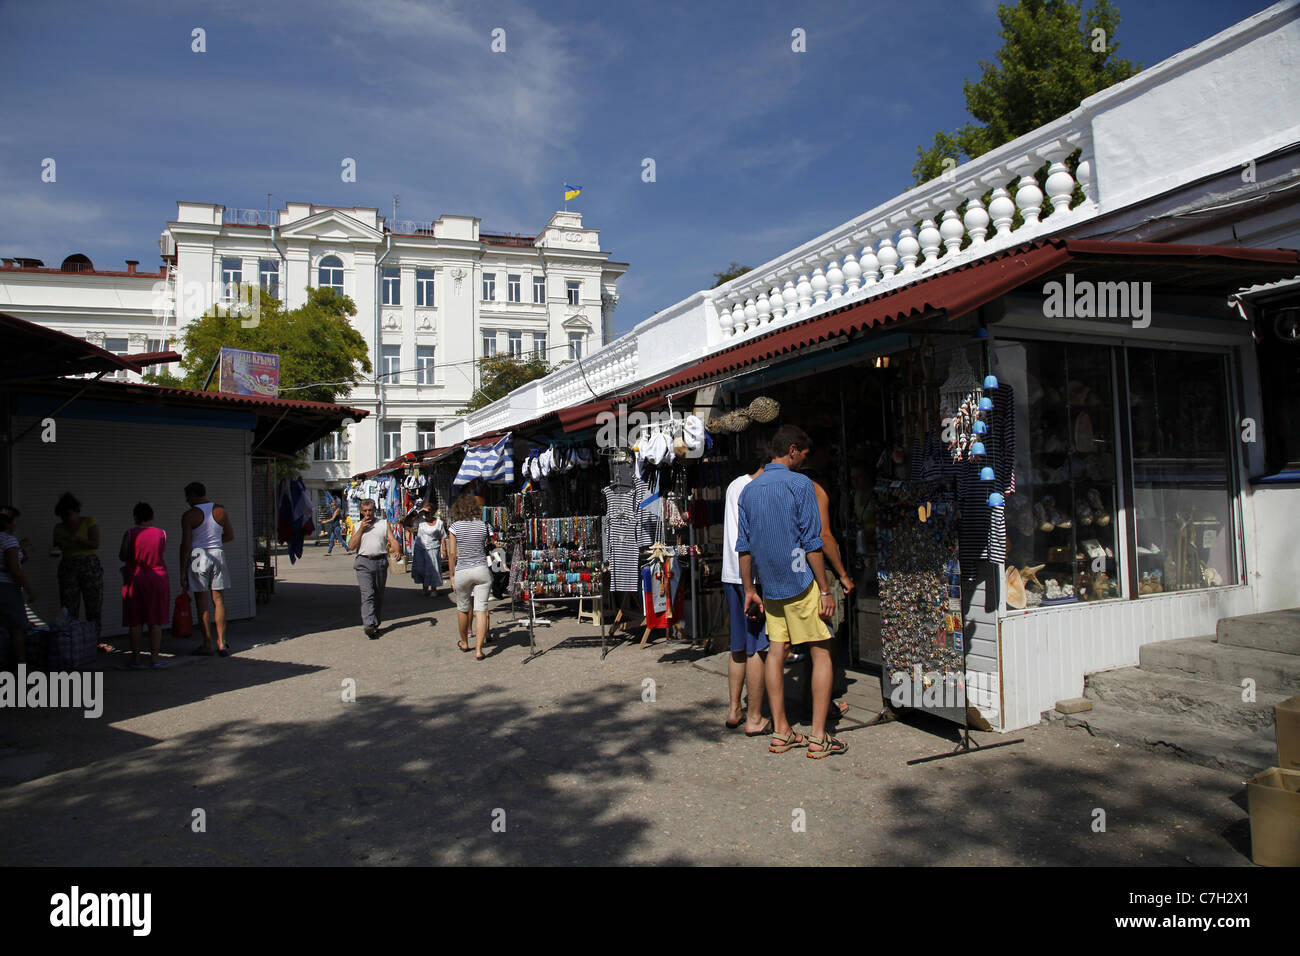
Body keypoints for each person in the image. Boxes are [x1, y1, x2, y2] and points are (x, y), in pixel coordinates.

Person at [736, 424, 846, 759]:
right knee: (821, 650)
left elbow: (744, 547)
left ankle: (782, 731)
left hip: (770, 586)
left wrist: (748, 590)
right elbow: (813, 542)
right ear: (794, 450)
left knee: (776, 650)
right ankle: (817, 736)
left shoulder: (749, 491)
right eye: (803, 456)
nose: (802, 462)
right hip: (801, 582)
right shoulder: (801, 484)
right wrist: (825, 588)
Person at [723, 461, 771, 735]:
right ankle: (754, 717)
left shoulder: (734, 485)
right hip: (750, 576)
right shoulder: (759, 489)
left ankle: (734, 710)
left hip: (730, 573)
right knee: (756, 648)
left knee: (738, 646)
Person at [180, 481, 235, 656]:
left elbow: (185, 545)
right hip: (218, 554)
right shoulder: (221, 510)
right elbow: (230, 535)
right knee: (218, 600)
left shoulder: (189, 516)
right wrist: (215, 543)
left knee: (201, 601)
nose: (187, 500)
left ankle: (207, 643)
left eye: (188, 497)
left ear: (194, 495)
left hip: (198, 555)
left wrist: (182, 570)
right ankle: (222, 642)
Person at [52, 492, 107, 652]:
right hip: (68, 566)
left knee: (94, 604)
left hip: (89, 565)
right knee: (69, 606)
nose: (66, 518)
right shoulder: (59, 528)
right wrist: (59, 546)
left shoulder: (89, 522)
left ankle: (94, 642)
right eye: (63, 516)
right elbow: (56, 547)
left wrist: (79, 540)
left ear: (76, 511)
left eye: (69, 514)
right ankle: (71, 641)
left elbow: (95, 543)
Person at [119, 502, 170, 669]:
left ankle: (136, 658)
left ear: (135, 517)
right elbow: (160, 552)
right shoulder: (161, 533)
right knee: (155, 620)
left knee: (135, 620)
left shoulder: (130, 534)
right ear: (152, 516)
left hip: (135, 577)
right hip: (157, 578)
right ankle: (155, 658)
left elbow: (123, 555)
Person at [447, 494, 493, 660]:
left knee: (463, 607)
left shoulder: (454, 527)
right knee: (481, 609)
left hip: (463, 571)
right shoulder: (483, 525)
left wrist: (451, 575)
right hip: (481, 569)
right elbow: (485, 546)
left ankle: (465, 642)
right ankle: (479, 650)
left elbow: (452, 553)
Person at [348, 497, 399, 639]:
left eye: (370, 510)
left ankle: (375, 623)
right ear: (361, 511)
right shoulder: (357, 526)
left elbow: (392, 539)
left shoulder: (383, 524)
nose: (368, 513)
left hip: (380, 562)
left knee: (378, 595)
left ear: (375, 510)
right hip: (363, 562)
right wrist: (362, 529)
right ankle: (369, 624)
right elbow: (351, 546)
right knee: (367, 594)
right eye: (364, 511)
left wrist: (397, 551)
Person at [1, 507, 36, 666]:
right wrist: (29, 590)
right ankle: (21, 669)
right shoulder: (9, 540)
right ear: (9, 523)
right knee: (17, 628)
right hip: (7, 588)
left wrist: (20, 550)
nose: (16, 524)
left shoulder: (9, 541)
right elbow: (14, 570)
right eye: (15, 521)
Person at [408, 505, 445, 597]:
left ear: (433, 512)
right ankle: (424, 587)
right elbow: (408, 522)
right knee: (422, 568)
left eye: (428, 512)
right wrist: (418, 513)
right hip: (420, 548)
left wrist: (444, 549)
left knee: (433, 569)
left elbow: (442, 536)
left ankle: (433, 588)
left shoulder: (439, 522)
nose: (427, 515)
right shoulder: (420, 520)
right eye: (425, 513)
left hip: (433, 548)